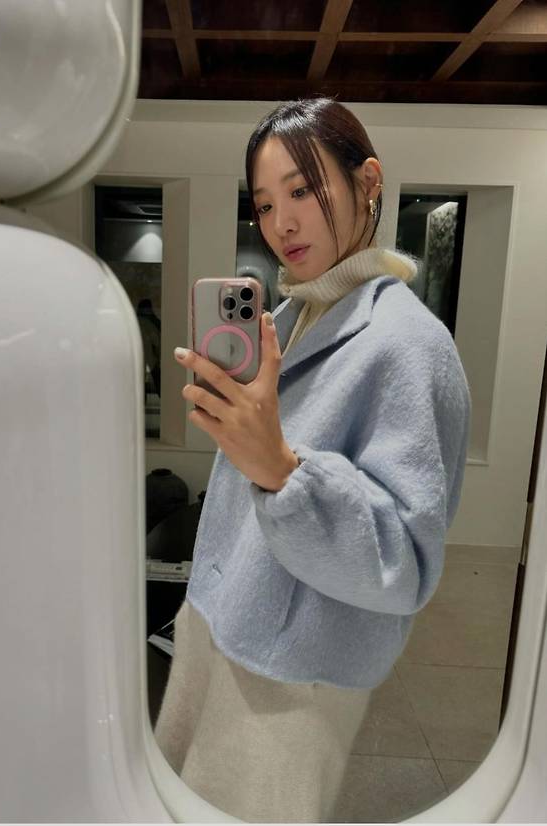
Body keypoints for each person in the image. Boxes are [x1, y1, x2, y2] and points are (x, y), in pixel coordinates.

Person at [153, 97, 471, 823]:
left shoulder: (410, 346)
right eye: (265, 204)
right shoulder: (288, 319)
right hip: (217, 621)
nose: (282, 223)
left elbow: (404, 565)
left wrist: (283, 472)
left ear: (368, 183)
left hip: (295, 669)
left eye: (302, 190)